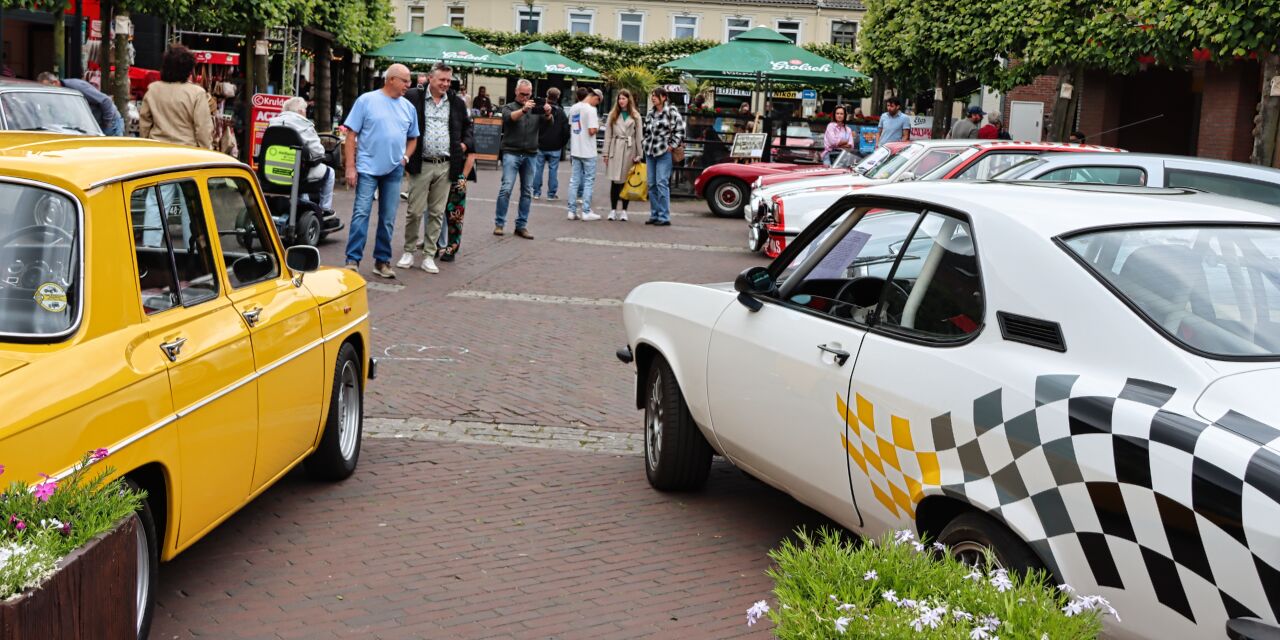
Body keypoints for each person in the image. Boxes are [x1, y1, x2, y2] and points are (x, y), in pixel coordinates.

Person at [341, 63, 419, 278]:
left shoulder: (408, 107)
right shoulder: (366, 100)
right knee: (361, 213)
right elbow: (351, 135)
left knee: (388, 217)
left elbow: (413, 138)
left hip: (394, 169)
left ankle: (382, 261)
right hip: (367, 168)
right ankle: (352, 259)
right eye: (405, 80)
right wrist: (350, 167)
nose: (408, 85)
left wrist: (405, 157)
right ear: (391, 79)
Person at [399, 62, 474, 273]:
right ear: (430, 78)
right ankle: (408, 250)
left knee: (437, 213)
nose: (445, 84)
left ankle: (429, 254)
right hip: (421, 162)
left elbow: (468, 126)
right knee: (414, 211)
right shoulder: (414, 97)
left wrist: (465, 144)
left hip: (446, 164)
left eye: (448, 80)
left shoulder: (456, 102)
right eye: (442, 79)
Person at [493, 79, 551, 239]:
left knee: (527, 192)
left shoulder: (535, 108)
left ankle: (521, 225)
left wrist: (547, 112)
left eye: (528, 94)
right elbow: (509, 118)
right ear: (516, 92)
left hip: (531, 153)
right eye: (522, 94)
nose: (525, 97)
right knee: (506, 189)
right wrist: (524, 110)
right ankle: (499, 223)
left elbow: (548, 123)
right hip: (511, 152)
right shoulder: (509, 107)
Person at [265, 96, 335, 213]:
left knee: (302, 171)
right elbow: (318, 152)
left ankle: (303, 206)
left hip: (271, 172)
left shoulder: (272, 123)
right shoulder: (304, 125)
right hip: (295, 173)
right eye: (305, 110)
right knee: (329, 173)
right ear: (301, 111)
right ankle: (325, 210)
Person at [139, 45, 214, 149]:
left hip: (156, 149)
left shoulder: (153, 90)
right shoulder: (197, 93)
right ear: (188, 69)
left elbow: (145, 124)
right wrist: (206, 151)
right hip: (186, 151)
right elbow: (203, 129)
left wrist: (145, 145)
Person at [642, 87, 683, 227]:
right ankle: (655, 214)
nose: (653, 98)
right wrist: (644, 143)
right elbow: (645, 131)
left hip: (664, 152)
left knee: (661, 183)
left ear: (663, 97)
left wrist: (671, 145)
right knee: (651, 184)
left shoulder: (671, 112)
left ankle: (664, 216)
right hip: (650, 151)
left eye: (655, 96)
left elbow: (680, 130)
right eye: (652, 95)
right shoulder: (650, 113)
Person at [36, 71, 123, 136]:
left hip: (110, 122)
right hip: (94, 125)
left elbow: (105, 101)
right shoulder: (60, 94)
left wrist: (107, 123)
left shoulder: (75, 86)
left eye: (47, 87)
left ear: (54, 83)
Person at [602, 89, 643, 222]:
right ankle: (613, 210)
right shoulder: (613, 114)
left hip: (629, 149)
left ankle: (624, 210)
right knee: (614, 181)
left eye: (624, 98)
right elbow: (607, 134)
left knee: (626, 181)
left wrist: (639, 154)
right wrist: (606, 153)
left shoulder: (636, 116)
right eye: (619, 98)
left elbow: (639, 136)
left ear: (628, 100)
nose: (621, 101)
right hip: (615, 147)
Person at [566, 87, 602, 221]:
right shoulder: (591, 109)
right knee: (588, 181)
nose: (596, 104)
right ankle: (586, 211)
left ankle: (571, 211)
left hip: (575, 148)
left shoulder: (574, 107)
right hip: (588, 150)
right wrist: (598, 126)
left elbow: (573, 125)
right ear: (595, 97)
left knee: (574, 180)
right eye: (597, 101)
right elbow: (592, 130)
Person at [532, 87, 569, 201]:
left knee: (538, 169)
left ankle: (536, 192)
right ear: (558, 97)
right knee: (553, 170)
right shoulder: (561, 112)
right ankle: (551, 194)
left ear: (547, 96)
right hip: (555, 146)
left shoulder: (539, 109)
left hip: (540, 144)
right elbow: (565, 131)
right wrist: (562, 143)